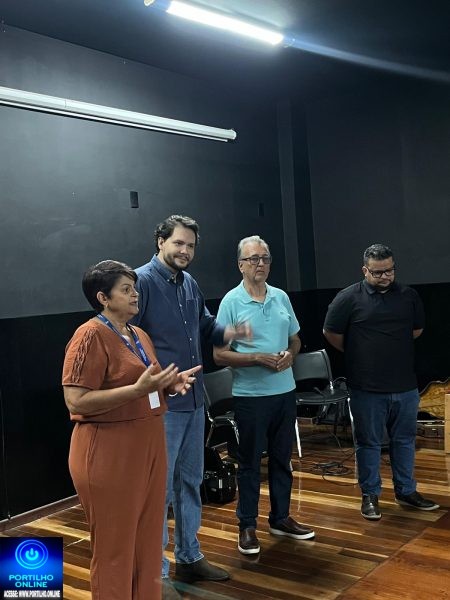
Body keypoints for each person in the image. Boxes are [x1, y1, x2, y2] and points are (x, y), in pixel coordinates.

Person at [62, 260, 200, 600]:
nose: (135, 294)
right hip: (109, 452)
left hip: (148, 445)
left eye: (134, 287)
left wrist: (169, 385)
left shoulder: (138, 334)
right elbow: (76, 400)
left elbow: (147, 385)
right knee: (116, 548)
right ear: (103, 298)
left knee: (148, 542)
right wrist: (137, 390)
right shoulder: (89, 335)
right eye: (126, 289)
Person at [133, 215, 250, 599]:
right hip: (161, 407)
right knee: (160, 491)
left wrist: (228, 331)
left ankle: (189, 556)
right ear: (160, 241)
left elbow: (205, 324)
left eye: (191, 246)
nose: (185, 251)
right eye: (179, 243)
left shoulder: (189, 283)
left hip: (195, 402)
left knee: (189, 482)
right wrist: (155, 381)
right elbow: (127, 340)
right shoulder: (140, 283)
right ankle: (156, 574)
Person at [213, 235, 315, 555]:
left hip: (285, 392)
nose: (260, 264)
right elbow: (219, 354)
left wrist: (290, 355)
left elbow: (296, 339)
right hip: (251, 396)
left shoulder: (281, 296)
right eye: (254, 259)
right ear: (240, 265)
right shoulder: (231, 302)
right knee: (250, 463)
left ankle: (280, 518)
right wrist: (257, 358)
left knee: (282, 459)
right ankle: (247, 525)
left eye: (265, 258)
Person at [323, 243, 440, 520]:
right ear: (365, 270)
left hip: (405, 385)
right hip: (367, 386)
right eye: (378, 273)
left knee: (404, 441)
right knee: (369, 443)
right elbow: (331, 333)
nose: (385, 276)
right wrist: (359, 352)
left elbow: (417, 330)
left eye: (389, 271)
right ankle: (370, 495)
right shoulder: (348, 298)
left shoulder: (408, 295)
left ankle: (406, 491)